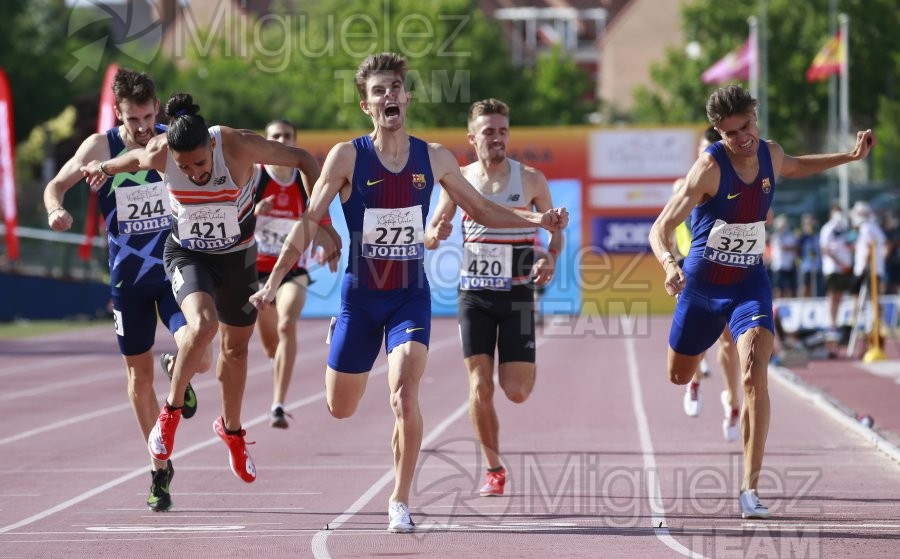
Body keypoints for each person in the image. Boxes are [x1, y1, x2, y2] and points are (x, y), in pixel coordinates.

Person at [249, 53, 567, 532]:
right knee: (341, 407)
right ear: (366, 105)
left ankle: (399, 498)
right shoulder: (346, 156)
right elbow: (309, 221)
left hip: (408, 295)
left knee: (404, 392)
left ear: (407, 96)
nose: (389, 96)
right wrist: (272, 284)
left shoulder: (434, 156)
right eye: (379, 91)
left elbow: (479, 209)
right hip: (360, 296)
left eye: (395, 87)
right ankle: (344, 336)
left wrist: (535, 219)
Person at [81, 92, 334, 484]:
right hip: (187, 254)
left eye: (199, 163)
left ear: (211, 147)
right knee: (201, 326)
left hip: (238, 258)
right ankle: (170, 414)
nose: (195, 173)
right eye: (184, 167)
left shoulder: (236, 144)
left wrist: (323, 223)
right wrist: (103, 166)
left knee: (235, 350)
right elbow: (130, 160)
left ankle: (231, 432)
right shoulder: (162, 152)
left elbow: (304, 159)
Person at [649, 84, 874, 519]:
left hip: (749, 282)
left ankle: (749, 489)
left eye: (748, 125)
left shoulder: (770, 152)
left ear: (755, 116)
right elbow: (659, 228)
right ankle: (698, 370)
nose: (744, 138)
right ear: (718, 131)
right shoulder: (707, 169)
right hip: (701, 285)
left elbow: (796, 165)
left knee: (754, 372)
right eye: (733, 133)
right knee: (677, 375)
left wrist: (849, 156)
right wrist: (668, 265)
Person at [43, 68, 212, 512]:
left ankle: (180, 364)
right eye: (132, 119)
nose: (140, 127)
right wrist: (56, 210)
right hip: (128, 281)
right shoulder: (101, 147)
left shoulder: (168, 141)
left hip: (174, 268)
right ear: (118, 113)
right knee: (138, 378)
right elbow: (55, 185)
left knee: (205, 353)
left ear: (157, 107)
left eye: (146, 116)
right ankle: (159, 468)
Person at [423, 98, 562, 496]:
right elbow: (433, 228)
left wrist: (549, 259)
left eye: (502, 131)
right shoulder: (459, 179)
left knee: (516, 391)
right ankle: (493, 468)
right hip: (475, 296)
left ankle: (518, 371)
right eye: (488, 132)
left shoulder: (532, 180)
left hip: (518, 295)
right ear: (472, 138)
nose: (497, 138)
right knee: (479, 385)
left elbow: (555, 231)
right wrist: (435, 235)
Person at [252, 118, 338, 428]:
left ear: (296, 139)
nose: (282, 140)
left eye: (288, 136)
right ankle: (280, 367)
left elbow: (317, 219)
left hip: (292, 270)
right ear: (266, 140)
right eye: (276, 136)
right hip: (256, 271)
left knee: (287, 324)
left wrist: (326, 243)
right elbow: (234, 223)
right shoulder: (256, 176)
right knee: (270, 346)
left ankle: (277, 404)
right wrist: (255, 213)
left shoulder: (305, 180)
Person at [671, 126, 742, 442]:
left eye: (711, 151)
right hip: (694, 270)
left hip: (728, 271)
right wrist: (673, 263)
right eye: (702, 150)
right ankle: (695, 379)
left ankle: (732, 401)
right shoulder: (683, 186)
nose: (706, 156)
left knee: (727, 340)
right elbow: (669, 227)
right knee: (695, 336)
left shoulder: (738, 186)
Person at [819, 203, 854, 343]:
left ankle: (836, 323)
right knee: (833, 296)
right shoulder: (828, 229)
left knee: (839, 297)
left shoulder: (843, 229)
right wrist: (840, 263)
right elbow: (825, 249)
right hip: (833, 268)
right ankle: (831, 324)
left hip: (844, 268)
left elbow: (849, 244)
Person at [768, 214, 798, 298]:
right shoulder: (776, 236)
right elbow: (782, 247)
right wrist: (790, 248)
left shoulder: (790, 235)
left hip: (789, 265)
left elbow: (795, 247)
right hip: (778, 266)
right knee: (778, 288)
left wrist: (790, 248)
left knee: (790, 288)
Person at [797, 213, 822, 298]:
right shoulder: (803, 236)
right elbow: (798, 248)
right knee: (805, 287)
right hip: (806, 265)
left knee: (814, 288)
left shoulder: (817, 235)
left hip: (816, 265)